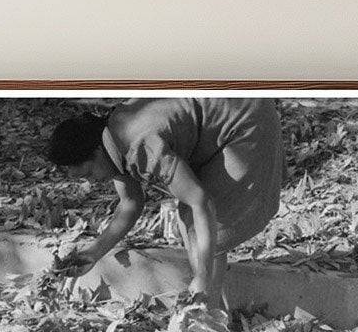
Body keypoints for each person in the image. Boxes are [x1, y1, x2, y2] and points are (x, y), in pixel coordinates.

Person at [47, 96, 284, 305]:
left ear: (97, 152)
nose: (93, 181)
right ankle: (207, 304)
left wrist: (202, 277)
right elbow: (130, 202)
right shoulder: (113, 137)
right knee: (190, 222)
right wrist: (94, 252)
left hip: (246, 120)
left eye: (88, 173)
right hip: (231, 113)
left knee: (200, 222)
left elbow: (201, 202)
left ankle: (210, 313)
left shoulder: (140, 143)